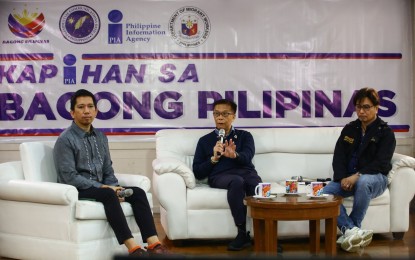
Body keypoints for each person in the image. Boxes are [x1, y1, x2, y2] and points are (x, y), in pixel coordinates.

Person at [53, 89, 169, 257]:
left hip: (103, 187)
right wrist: (105, 188)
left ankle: (154, 244)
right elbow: (69, 177)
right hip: (78, 188)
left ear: (96, 111)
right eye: (81, 107)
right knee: (108, 194)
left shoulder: (100, 136)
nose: (86, 111)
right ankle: (133, 249)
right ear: (72, 112)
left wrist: (115, 188)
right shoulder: (65, 139)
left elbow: (107, 168)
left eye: (90, 106)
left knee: (138, 192)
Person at [323, 87, 396, 252]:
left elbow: (381, 163)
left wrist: (357, 175)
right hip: (348, 178)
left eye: (366, 107)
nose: (361, 111)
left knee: (363, 181)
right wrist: (342, 178)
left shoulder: (385, 133)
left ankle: (353, 227)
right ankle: (351, 231)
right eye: (358, 107)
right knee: (323, 194)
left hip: (375, 178)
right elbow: (339, 156)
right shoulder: (350, 129)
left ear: (376, 108)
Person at [192, 99, 262, 251]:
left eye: (225, 114)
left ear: (233, 116)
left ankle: (264, 235)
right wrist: (213, 159)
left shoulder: (245, 136)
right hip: (220, 175)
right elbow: (198, 172)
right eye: (216, 114)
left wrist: (235, 155)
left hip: (246, 172)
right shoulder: (204, 141)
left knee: (256, 185)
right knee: (237, 182)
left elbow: (247, 157)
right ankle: (242, 233)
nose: (220, 118)